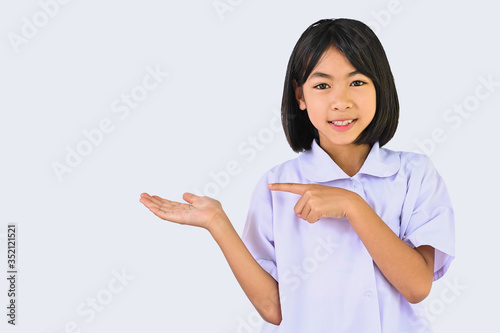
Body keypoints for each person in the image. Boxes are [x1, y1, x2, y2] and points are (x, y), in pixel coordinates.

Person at [139, 18, 455, 332]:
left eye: (357, 82)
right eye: (322, 85)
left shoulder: (414, 174)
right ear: (300, 96)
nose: (341, 101)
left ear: (380, 87)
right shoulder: (277, 185)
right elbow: (274, 309)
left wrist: (353, 206)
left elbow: (417, 285)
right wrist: (217, 222)